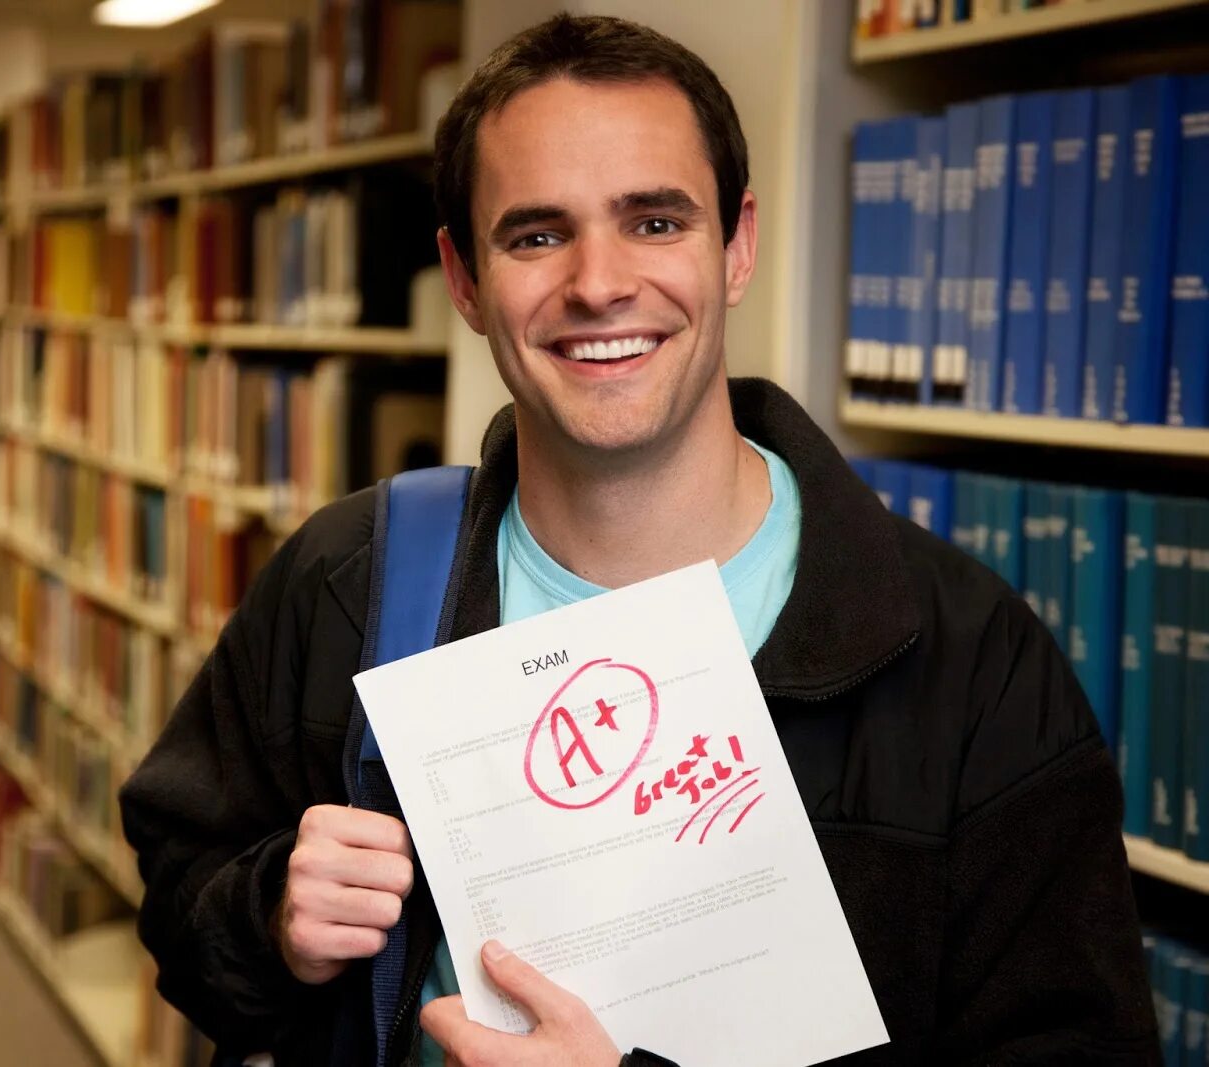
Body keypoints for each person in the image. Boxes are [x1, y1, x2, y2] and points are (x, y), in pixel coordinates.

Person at [119, 13, 1158, 1066]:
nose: (599, 282)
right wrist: (271, 921)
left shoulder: (967, 657)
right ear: (465, 281)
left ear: (736, 244)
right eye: (535, 234)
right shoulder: (350, 582)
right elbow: (181, 889)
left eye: (655, 222)